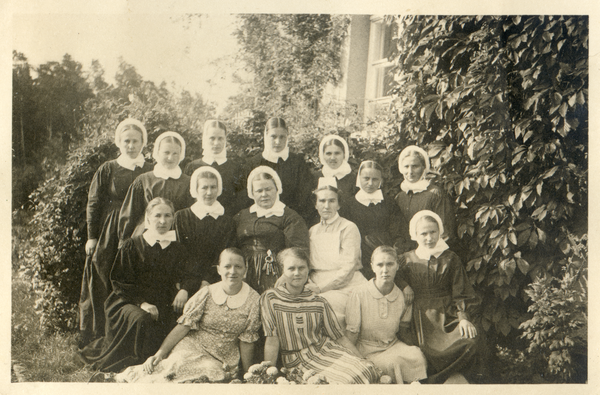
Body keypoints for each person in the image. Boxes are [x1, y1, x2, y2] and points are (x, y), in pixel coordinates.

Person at [79, 198, 192, 372]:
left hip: (162, 300)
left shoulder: (178, 248)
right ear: (148, 219)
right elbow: (120, 283)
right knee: (142, 319)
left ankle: (157, 360)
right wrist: (143, 304)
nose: (163, 221)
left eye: (167, 216)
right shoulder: (132, 245)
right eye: (157, 216)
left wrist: (184, 289)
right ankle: (136, 364)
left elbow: (190, 273)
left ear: (173, 219)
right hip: (127, 301)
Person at [115, 248, 261, 383]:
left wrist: (247, 374)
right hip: (191, 346)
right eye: (227, 266)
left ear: (245, 271)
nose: (232, 271)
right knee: (174, 365)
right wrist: (160, 353)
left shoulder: (254, 299)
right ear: (218, 270)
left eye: (238, 266)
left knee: (207, 372)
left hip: (221, 357)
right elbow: (183, 327)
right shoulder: (207, 293)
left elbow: (247, 340)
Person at [78, 118, 153, 348]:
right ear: (119, 142)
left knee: (133, 278)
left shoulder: (149, 168)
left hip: (141, 228)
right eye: (126, 141)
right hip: (111, 229)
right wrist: (92, 236)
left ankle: (129, 334)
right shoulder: (108, 168)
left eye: (135, 141)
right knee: (104, 276)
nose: (131, 146)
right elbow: (94, 203)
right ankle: (98, 333)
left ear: (143, 142)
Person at [261, 247, 379, 384]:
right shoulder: (271, 298)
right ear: (283, 271)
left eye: (301, 268)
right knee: (343, 383)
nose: (297, 273)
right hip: (297, 361)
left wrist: (362, 359)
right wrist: (269, 375)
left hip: (326, 350)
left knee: (368, 370)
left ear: (308, 270)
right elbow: (271, 341)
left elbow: (339, 337)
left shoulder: (318, 300)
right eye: (291, 268)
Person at [396, 210, 479, 383]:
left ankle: (439, 380)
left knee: (470, 341)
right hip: (420, 316)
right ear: (415, 235)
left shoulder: (450, 258)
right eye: (423, 233)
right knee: (421, 350)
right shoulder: (407, 258)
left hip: (447, 314)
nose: (429, 238)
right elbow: (394, 274)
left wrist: (463, 318)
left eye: (433, 232)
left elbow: (460, 290)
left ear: (440, 232)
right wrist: (405, 286)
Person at [345, 246, 428, 384]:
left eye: (390, 264)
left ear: (397, 266)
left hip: (392, 345)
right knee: (393, 362)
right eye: (380, 265)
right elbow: (351, 335)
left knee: (416, 355)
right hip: (366, 350)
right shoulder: (359, 293)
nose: (385, 270)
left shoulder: (402, 296)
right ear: (372, 267)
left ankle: (413, 385)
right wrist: (356, 361)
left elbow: (403, 329)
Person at [234, 166, 309, 294]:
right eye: (259, 190)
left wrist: (287, 275)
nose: (264, 194)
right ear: (252, 193)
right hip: (244, 273)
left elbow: (299, 250)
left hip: (273, 272)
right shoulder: (242, 216)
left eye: (268, 189)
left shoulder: (289, 216)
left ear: (277, 189)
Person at [307, 183, 366, 329]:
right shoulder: (312, 231)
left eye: (332, 201)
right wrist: (310, 284)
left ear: (339, 205)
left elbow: (348, 268)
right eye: (322, 201)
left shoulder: (348, 227)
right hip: (316, 284)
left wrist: (321, 288)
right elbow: (308, 265)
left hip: (346, 285)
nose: (326, 206)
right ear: (316, 205)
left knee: (324, 307)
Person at [118, 131, 194, 244]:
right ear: (158, 152)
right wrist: (124, 242)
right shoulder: (143, 180)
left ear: (181, 154)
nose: (170, 157)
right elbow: (129, 215)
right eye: (166, 152)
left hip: (177, 240)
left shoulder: (188, 182)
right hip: (145, 239)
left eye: (175, 153)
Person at [339, 160, 408, 279]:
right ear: (358, 178)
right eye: (366, 178)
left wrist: (393, 253)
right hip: (359, 257)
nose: (370, 183)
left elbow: (398, 232)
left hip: (385, 256)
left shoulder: (389, 203)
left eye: (375, 179)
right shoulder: (349, 205)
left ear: (381, 180)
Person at [175, 166, 236, 288]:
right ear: (195, 189)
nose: (209, 192)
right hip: (185, 282)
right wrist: (188, 284)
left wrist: (207, 280)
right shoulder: (181, 217)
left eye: (213, 187)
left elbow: (225, 255)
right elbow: (178, 253)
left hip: (216, 280)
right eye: (204, 187)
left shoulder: (227, 221)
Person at [245, 117, 314, 221]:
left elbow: (305, 198)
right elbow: (247, 199)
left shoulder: (297, 162)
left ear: (287, 137)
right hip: (261, 220)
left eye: (282, 137)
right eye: (273, 136)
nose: (278, 141)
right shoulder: (253, 163)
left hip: (292, 220)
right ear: (266, 136)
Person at [395, 146, 456, 244]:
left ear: (424, 167)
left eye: (415, 166)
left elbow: (445, 232)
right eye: (406, 166)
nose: (410, 172)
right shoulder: (400, 197)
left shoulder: (435, 194)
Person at [184, 120, 246, 215]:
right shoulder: (192, 167)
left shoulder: (235, 168)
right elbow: (188, 199)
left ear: (225, 140)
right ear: (205, 139)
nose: (216, 143)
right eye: (212, 138)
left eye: (220, 138)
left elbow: (240, 201)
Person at [314, 134, 357, 203]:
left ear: (344, 154)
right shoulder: (314, 177)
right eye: (328, 153)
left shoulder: (354, 179)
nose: (333, 158)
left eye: (337, 153)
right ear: (322, 155)